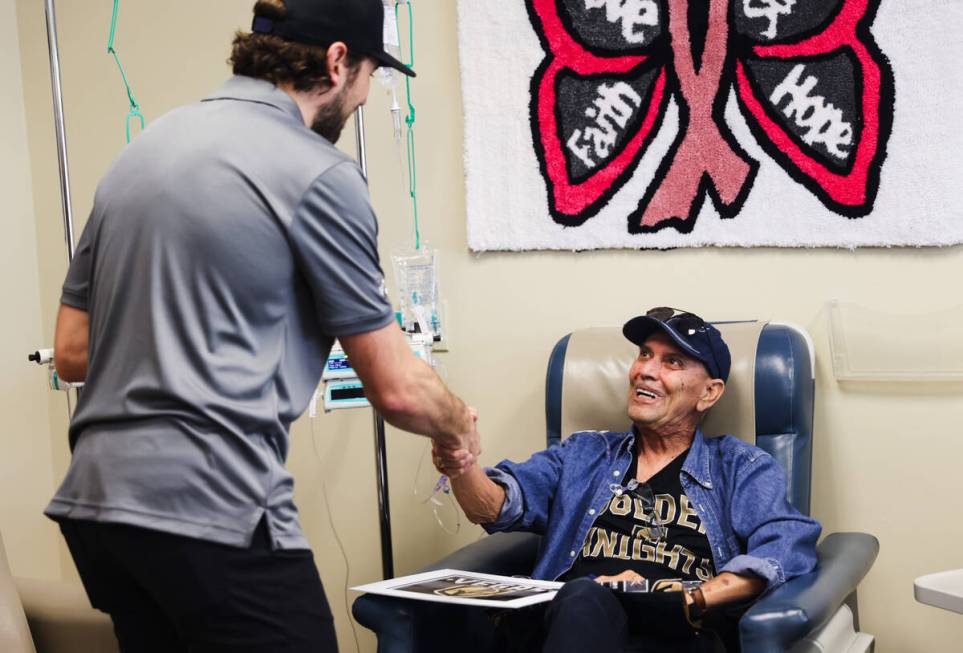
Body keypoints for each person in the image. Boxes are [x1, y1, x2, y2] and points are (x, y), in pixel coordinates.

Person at [46, 1, 476, 651]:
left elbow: (73, 351)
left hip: (97, 508)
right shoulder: (320, 173)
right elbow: (397, 389)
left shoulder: (142, 151)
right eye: (366, 77)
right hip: (210, 505)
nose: (362, 97)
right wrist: (458, 425)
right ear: (337, 62)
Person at [435, 307, 821, 652]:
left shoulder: (739, 467)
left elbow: (786, 545)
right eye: (644, 354)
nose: (646, 370)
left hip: (674, 631)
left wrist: (692, 597)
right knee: (579, 598)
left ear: (708, 393)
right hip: (570, 619)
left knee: (586, 599)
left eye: (672, 362)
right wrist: (460, 462)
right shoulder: (586, 453)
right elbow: (495, 506)